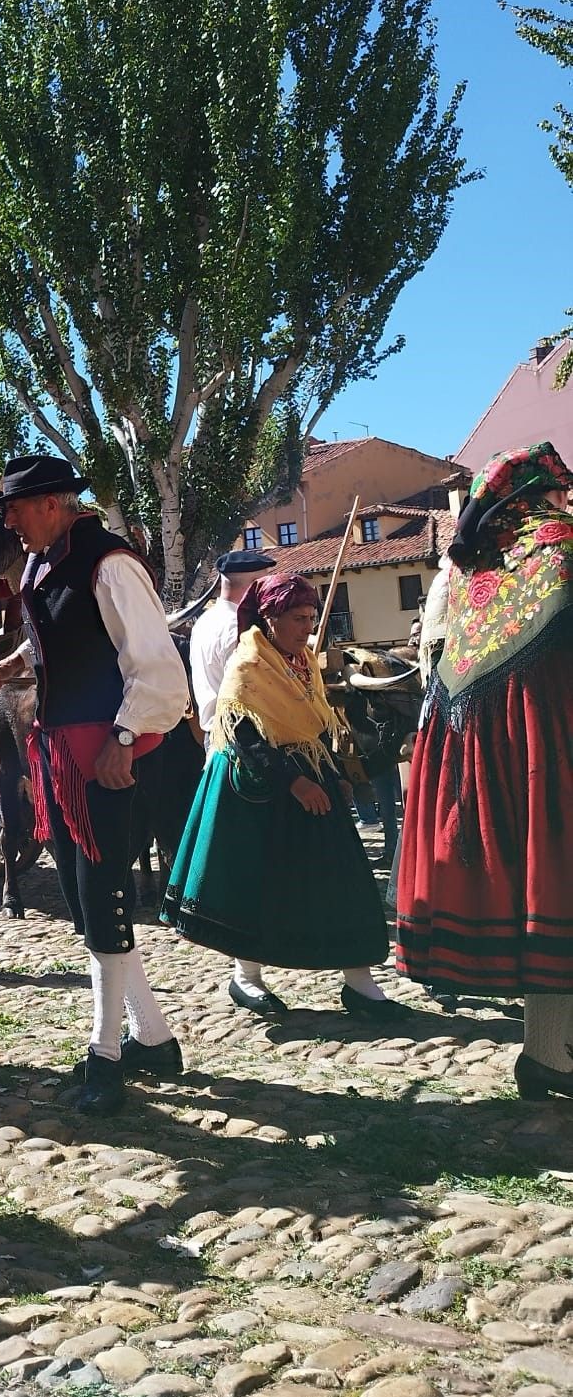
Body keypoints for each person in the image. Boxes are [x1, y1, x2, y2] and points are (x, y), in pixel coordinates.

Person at [0, 454, 190, 1117]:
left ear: (50, 504)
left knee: (101, 899)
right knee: (82, 898)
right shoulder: (44, 563)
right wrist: (15, 663)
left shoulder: (110, 564)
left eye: (14, 510)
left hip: (114, 755)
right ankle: (153, 1037)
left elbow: (156, 665)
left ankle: (105, 1056)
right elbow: (61, 642)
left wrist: (125, 740)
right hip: (66, 757)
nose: (8, 522)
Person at [396, 443, 573, 1099]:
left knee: (550, 904)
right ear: (537, 497)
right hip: (549, 755)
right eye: (560, 493)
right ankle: (549, 1055)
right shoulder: (557, 552)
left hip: (495, 765)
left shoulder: (474, 576)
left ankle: (547, 1055)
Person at [161, 574, 401, 1023]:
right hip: (257, 789)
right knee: (256, 885)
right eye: (297, 618)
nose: (306, 628)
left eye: (311, 618)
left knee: (343, 878)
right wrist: (294, 783)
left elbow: (315, 722)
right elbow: (245, 736)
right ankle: (246, 977)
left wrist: (333, 773)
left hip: (311, 779)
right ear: (270, 618)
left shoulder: (303, 660)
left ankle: (360, 983)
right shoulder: (248, 665)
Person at [187, 547, 276, 742]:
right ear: (254, 586)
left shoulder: (203, 621)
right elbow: (247, 688)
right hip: (243, 738)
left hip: (215, 734)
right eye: (265, 584)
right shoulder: (239, 626)